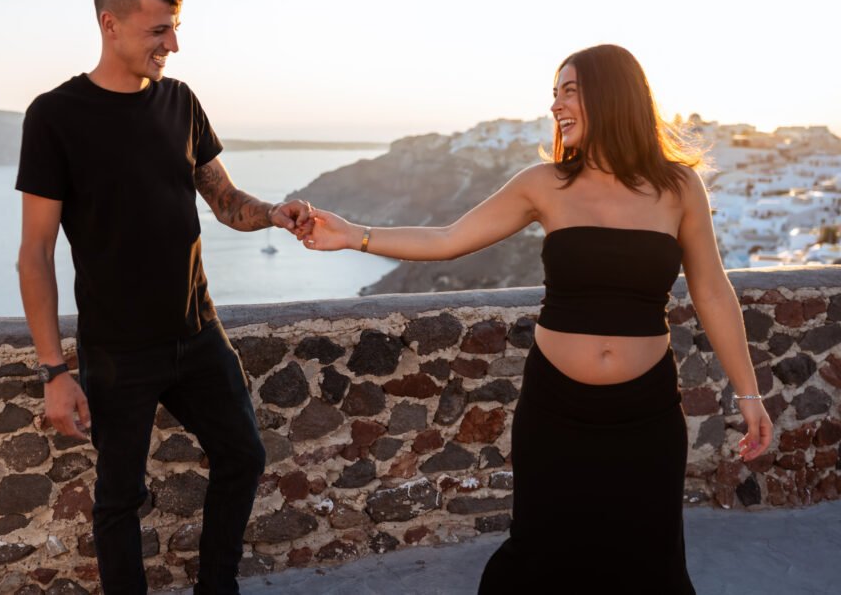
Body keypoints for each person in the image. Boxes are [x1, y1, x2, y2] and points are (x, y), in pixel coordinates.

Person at [300, 44, 773, 593]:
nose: (556, 106)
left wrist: (749, 394)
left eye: (569, 91)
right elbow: (451, 239)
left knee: (648, 558)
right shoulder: (544, 183)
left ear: (613, 95)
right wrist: (353, 235)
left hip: (646, 412)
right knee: (542, 557)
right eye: (554, 94)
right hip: (557, 409)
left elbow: (712, 290)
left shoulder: (678, 187)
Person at [16, 0, 313, 595]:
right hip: (117, 350)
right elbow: (34, 253)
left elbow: (225, 201)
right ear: (111, 24)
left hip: (198, 332)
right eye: (159, 31)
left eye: (175, 29)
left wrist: (276, 215)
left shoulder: (180, 102)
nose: (173, 45)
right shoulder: (55, 116)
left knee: (244, 455)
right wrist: (54, 372)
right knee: (119, 498)